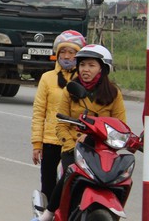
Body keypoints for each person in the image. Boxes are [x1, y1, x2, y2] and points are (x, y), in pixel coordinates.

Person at [33, 44, 126, 221]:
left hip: (103, 149)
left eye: (91, 65)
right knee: (70, 172)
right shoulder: (71, 89)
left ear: (103, 68)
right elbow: (61, 124)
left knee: (118, 178)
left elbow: (120, 125)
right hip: (74, 148)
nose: (85, 70)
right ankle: (49, 213)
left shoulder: (114, 93)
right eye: (82, 65)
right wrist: (72, 144)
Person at [30, 30, 85, 201]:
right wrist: (37, 144)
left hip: (76, 141)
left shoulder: (85, 80)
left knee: (75, 186)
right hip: (50, 141)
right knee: (48, 186)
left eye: (71, 52)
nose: (67, 56)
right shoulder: (47, 78)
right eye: (63, 51)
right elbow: (39, 113)